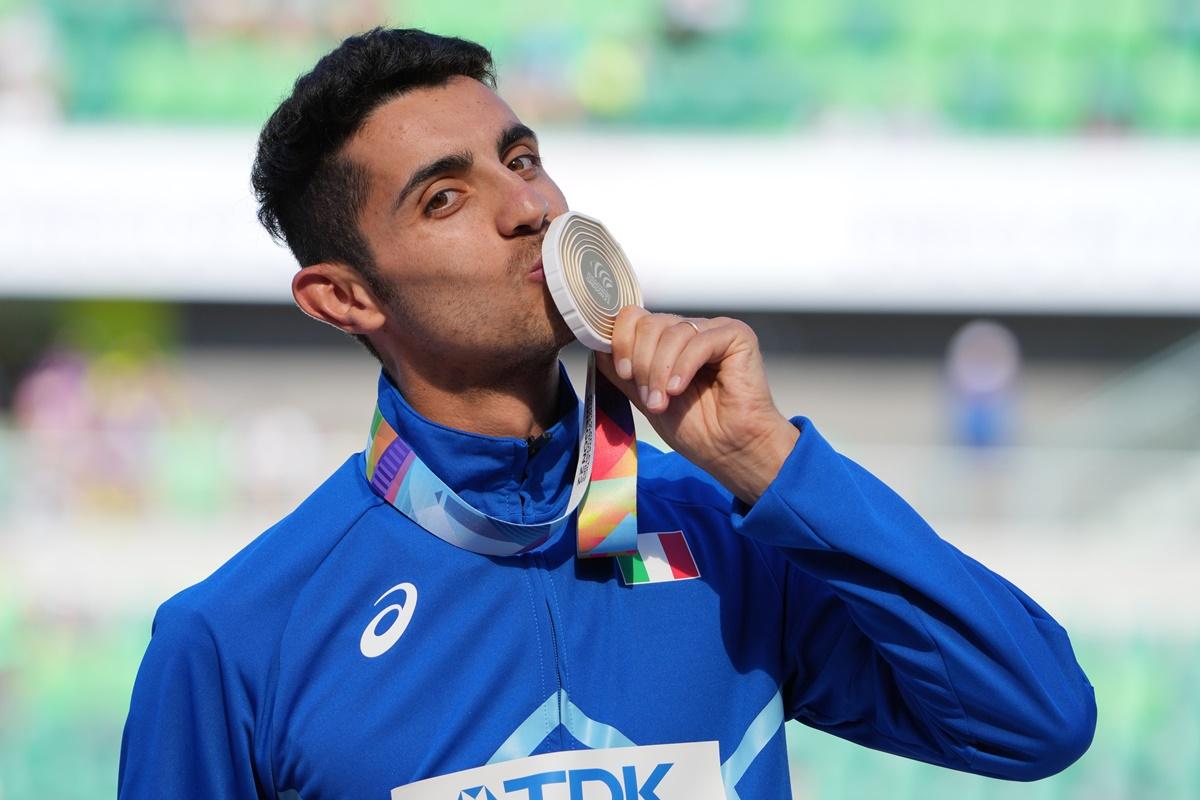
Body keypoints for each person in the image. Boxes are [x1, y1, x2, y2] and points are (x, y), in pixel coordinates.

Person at [118, 28, 1096, 799]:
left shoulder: (717, 533)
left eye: (523, 156)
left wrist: (769, 461)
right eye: (447, 197)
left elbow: (1038, 718)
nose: (529, 207)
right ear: (345, 298)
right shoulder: (235, 638)